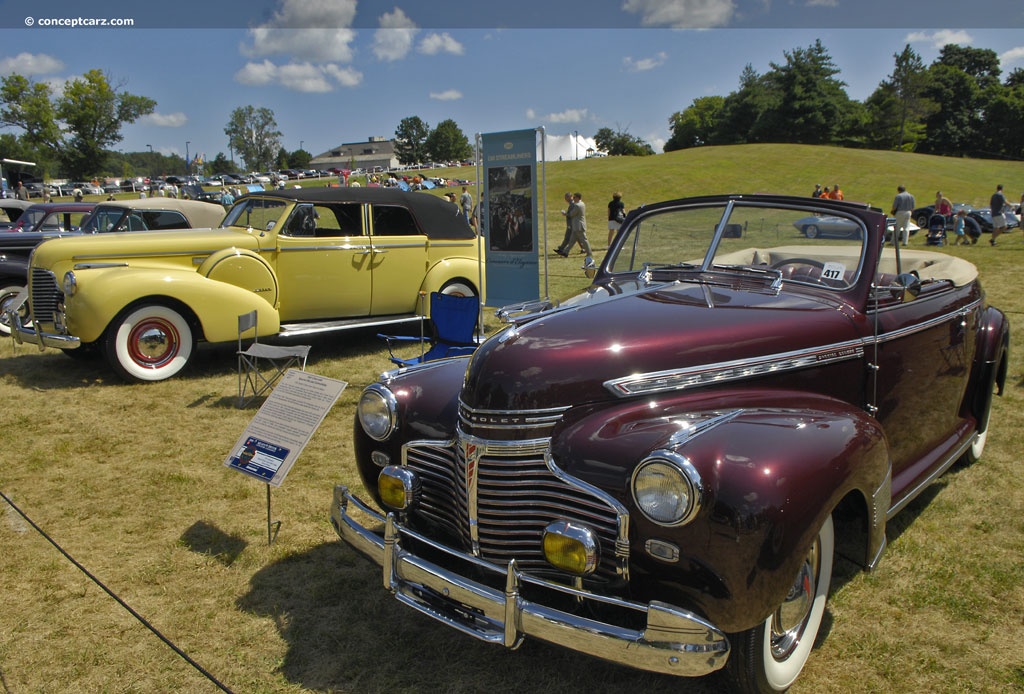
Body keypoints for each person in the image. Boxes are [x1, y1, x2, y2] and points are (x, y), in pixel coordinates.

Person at [567, 192, 594, 269]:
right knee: (572, 240)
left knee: (584, 240)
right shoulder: (582, 204)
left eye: (574, 197)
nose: (573, 199)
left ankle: (589, 253)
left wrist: (566, 214)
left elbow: (572, 214)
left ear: (578, 198)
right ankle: (565, 252)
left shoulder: (577, 205)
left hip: (578, 226)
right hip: (578, 226)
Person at [555, 192, 573, 257]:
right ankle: (562, 248)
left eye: (566, 197)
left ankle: (562, 249)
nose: (565, 199)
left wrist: (565, 214)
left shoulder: (572, 204)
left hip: (571, 225)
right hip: (571, 225)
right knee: (572, 238)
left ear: (570, 197)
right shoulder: (571, 204)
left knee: (569, 238)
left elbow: (572, 214)